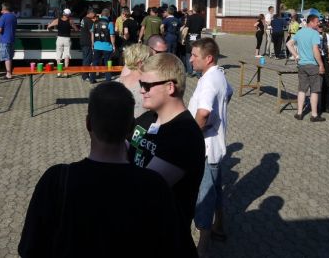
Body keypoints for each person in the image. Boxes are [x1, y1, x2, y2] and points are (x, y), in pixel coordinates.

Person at [19, 82, 180, 257]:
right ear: (131, 127)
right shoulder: (154, 185)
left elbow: (30, 248)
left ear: (88, 123)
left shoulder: (56, 180)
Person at [128, 53, 205, 256]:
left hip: (165, 242)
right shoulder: (148, 117)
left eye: (147, 85)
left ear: (170, 87)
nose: (141, 90)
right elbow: (120, 149)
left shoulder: (184, 135)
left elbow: (143, 191)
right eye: (141, 84)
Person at [188, 38, 233, 258]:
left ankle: (203, 247)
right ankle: (219, 226)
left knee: (204, 196)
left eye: (194, 55)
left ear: (208, 58)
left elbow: (203, 112)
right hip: (216, 145)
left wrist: (191, 136)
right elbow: (229, 92)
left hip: (205, 147)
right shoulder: (219, 75)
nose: (190, 59)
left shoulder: (208, 81)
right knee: (215, 189)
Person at [286, 14, 326, 122]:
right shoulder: (315, 33)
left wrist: (296, 56)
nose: (318, 24)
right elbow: (315, 50)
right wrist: (321, 64)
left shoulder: (300, 32)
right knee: (314, 90)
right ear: (311, 22)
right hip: (312, 65)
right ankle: (314, 115)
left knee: (302, 89)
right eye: (317, 22)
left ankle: (299, 113)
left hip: (302, 65)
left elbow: (289, 44)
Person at [117, 44, 153, 117]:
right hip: (141, 123)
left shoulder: (116, 82)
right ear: (140, 63)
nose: (154, 62)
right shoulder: (149, 85)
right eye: (151, 59)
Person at [47, 8, 79, 78]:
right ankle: (66, 73)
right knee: (66, 55)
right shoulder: (70, 21)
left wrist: (50, 29)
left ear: (63, 13)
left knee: (59, 55)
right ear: (69, 15)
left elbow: (49, 26)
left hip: (59, 39)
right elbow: (76, 29)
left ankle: (59, 72)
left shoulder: (57, 20)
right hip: (67, 39)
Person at [90, 8, 116, 83]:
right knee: (108, 63)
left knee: (95, 62)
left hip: (97, 46)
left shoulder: (95, 22)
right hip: (107, 46)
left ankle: (92, 79)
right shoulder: (110, 23)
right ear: (109, 15)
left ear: (101, 14)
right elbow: (112, 35)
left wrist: (92, 44)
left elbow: (92, 33)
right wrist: (113, 45)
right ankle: (108, 79)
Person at [0, 3, 17, 79]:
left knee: (6, 58)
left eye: (2, 9)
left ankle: (8, 74)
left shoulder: (3, 17)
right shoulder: (14, 16)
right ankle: (9, 73)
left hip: (4, 40)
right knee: (10, 57)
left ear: (4, 9)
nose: (1, 10)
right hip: (12, 39)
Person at [184, 4, 206, 76]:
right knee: (198, 55)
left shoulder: (190, 17)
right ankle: (198, 73)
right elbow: (204, 29)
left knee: (188, 54)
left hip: (190, 37)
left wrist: (183, 38)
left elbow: (186, 28)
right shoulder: (202, 18)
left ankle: (190, 72)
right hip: (198, 37)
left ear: (193, 9)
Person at [317, 23, 329, 114]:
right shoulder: (313, 35)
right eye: (319, 26)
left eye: (321, 26)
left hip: (324, 59)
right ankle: (316, 106)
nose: (320, 28)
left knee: (326, 82)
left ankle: (327, 106)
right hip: (315, 59)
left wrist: (328, 61)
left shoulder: (326, 36)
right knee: (316, 83)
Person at [79, 7, 96, 82]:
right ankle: (85, 76)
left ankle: (84, 75)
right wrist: (93, 43)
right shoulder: (89, 21)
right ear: (91, 13)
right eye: (94, 13)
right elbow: (92, 33)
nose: (95, 15)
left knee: (85, 58)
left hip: (83, 41)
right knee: (87, 59)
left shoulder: (83, 19)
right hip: (87, 42)